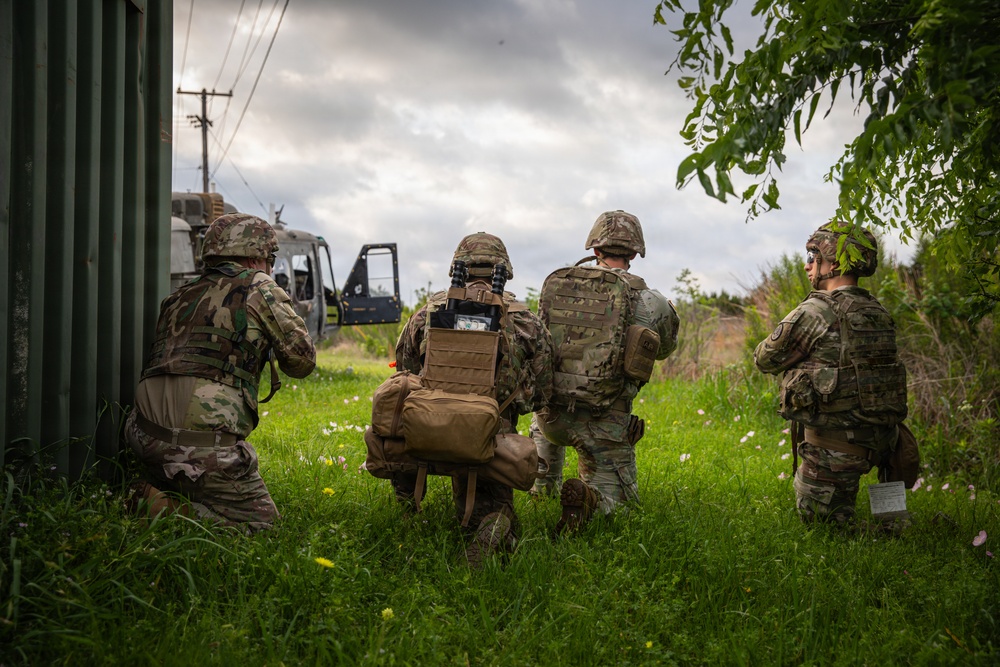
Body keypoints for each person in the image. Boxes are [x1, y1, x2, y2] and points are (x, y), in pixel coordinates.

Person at [125, 213, 316, 532]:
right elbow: (302, 361)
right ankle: (163, 507)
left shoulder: (179, 295)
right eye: (270, 260)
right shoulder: (259, 286)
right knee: (263, 526)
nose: (270, 268)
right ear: (255, 258)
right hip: (200, 447)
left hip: (142, 436)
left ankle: (159, 485)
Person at [393, 232, 553, 566]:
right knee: (494, 512)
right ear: (504, 270)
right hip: (492, 434)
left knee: (403, 430)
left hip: (427, 430)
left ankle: (408, 510)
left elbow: (405, 371)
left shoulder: (426, 313)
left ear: (458, 268)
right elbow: (543, 390)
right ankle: (491, 524)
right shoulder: (526, 321)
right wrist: (511, 405)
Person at [531, 210, 679, 531]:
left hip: (549, 419)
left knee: (549, 406)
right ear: (634, 254)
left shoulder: (561, 286)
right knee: (621, 511)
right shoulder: (650, 301)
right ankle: (592, 499)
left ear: (595, 249)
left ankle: (541, 489)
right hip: (603, 421)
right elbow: (665, 349)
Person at [754, 222, 908, 526]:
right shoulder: (878, 311)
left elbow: (764, 359)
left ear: (833, 263)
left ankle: (864, 520)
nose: (807, 265)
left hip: (836, 450)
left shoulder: (815, 311)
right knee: (892, 528)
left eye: (812, 257)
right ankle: (890, 519)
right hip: (886, 447)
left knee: (823, 528)